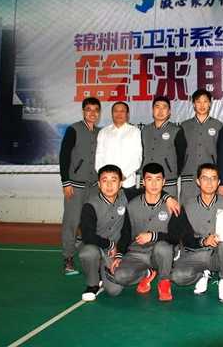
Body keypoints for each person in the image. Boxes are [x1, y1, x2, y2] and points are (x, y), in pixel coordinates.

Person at [110, 163, 182, 301]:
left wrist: (153, 236)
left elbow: (175, 237)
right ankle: (147, 273)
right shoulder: (132, 205)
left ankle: (164, 282)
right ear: (143, 182)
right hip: (137, 253)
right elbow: (125, 233)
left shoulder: (172, 206)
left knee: (164, 247)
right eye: (149, 179)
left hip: (159, 254)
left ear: (164, 182)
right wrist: (119, 255)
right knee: (120, 276)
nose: (154, 184)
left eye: (158, 179)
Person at [171, 163, 223, 303]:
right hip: (197, 254)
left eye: (213, 178)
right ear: (198, 181)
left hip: (220, 256)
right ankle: (203, 274)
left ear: (218, 182)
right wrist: (204, 241)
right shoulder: (187, 205)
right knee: (178, 277)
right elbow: (186, 239)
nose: (209, 182)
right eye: (205, 178)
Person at [59, 97, 101, 275]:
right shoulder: (74, 129)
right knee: (72, 221)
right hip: (75, 186)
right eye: (89, 109)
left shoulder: (101, 133)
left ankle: (90, 256)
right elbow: (64, 155)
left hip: (94, 187)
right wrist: (66, 182)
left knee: (91, 222)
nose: (92, 113)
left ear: (99, 113)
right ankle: (68, 258)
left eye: (96, 110)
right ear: (83, 111)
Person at [78, 165, 131, 302]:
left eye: (113, 180)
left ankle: (103, 271)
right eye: (104, 180)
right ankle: (92, 284)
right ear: (99, 184)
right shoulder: (90, 205)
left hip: (115, 252)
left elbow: (151, 190)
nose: (109, 185)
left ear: (120, 183)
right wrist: (110, 244)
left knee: (114, 290)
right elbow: (87, 236)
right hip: (96, 246)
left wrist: (167, 198)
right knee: (88, 253)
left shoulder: (126, 197)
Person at [179, 89, 223, 202]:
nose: (202, 105)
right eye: (198, 102)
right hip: (189, 175)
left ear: (210, 104)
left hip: (210, 177)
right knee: (187, 207)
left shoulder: (218, 125)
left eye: (205, 101)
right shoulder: (184, 126)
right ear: (194, 104)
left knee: (210, 207)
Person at [95, 102, 142, 201]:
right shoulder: (103, 132)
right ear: (112, 113)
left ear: (127, 114)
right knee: (107, 210)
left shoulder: (135, 131)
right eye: (116, 111)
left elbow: (137, 157)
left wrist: (121, 176)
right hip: (107, 184)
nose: (119, 114)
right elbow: (99, 157)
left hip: (128, 182)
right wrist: (104, 177)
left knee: (129, 210)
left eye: (122, 111)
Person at [141, 96, 186, 198]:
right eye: (157, 107)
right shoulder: (145, 130)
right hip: (147, 179)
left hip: (168, 180)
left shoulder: (176, 130)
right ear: (152, 110)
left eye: (164, 107)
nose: (160, 111)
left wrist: (172, 172)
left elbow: (182, 156)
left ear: (169, 112)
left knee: (168, 207)